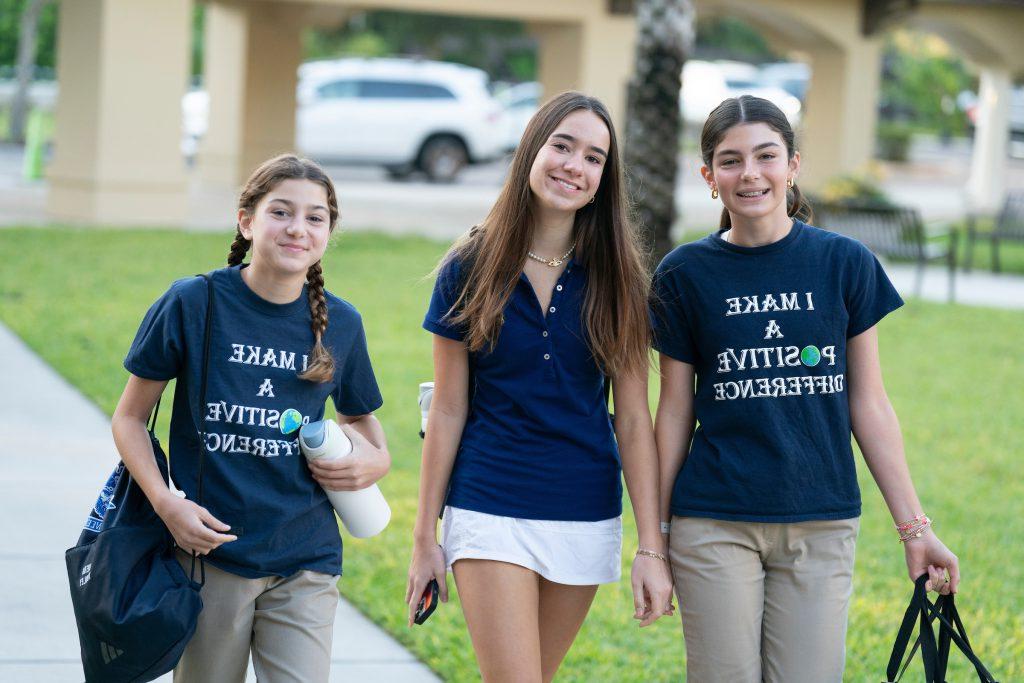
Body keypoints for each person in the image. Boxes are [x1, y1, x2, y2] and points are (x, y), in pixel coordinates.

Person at [651, 95, 960, 683]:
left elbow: (867, 402)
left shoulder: (844, 263)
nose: (750, 174)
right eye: (730, 160)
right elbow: (672, 413)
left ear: (792, 166)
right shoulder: (684, 273)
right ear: (709, 177)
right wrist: (655, 538)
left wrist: (916, 529)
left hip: (821, 520)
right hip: (715, 520)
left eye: (766, 156)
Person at [406, 91, 673, 682]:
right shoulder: (467, 267)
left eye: (594, 157)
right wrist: (426, 537)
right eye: (562, 146)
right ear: (532, 149)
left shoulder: (621, 280)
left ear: (605, 178)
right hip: (488, 501)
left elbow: (633, 422)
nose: (574, 166)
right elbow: (447, 410)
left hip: (583, 508)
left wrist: (650, 547)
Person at [110, 154, 390, 682]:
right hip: (211, 554)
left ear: (329, 232)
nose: (297, 229)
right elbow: (129, 419)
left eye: (314, 217)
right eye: (280, 212)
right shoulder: (193, 303)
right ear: (247, 220)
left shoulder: (342, 323)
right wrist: (167, 503)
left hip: (305, 555)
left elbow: (360, 420)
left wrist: (376, 461)